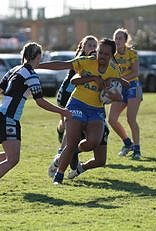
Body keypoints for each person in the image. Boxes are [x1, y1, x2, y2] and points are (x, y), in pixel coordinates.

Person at [0, 42, 71, 195]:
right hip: (8, 118)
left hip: (2, 116)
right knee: (13, 159)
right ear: (36, 57)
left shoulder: (14, 70)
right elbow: (41, 102)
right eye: (40, 57)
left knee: (9, 155)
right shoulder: (31, 75)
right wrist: (63, 111)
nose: (40, 61)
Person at [38, 38, 126, 184]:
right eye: (100, 52)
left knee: (93, 142)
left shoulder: (114, 71)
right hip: (77, 105)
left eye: (106, 54)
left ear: (111, 56)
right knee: (71, 142)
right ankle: (58, 176)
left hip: (96, 110)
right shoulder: (86, 61)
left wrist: (114, 94)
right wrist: (37, 65)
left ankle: (70, 154)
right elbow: (68, 72)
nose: (101, 56)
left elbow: (120, 93)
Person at [49, 35, 98, 177]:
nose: (93, 48)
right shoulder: (81, 59)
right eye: (89, 45)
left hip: (81, 99)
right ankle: (60, 155)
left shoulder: (95, 59)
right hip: (68, 95)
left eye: (95, 46)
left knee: (70, 129)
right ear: (83, 47)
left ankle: (69, 156)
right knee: (68, 127)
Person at [108, 28, 143, 160]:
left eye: (120, 38)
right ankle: (128, 143)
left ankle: (137, 150)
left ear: (125, 40)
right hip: (120, 88)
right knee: (111, 119)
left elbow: (135, 72)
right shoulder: (112, 56)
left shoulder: (132, 53)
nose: (117, 41)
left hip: (133, 86)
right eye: (115, 38)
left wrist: (119, 80)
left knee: (130, 119)